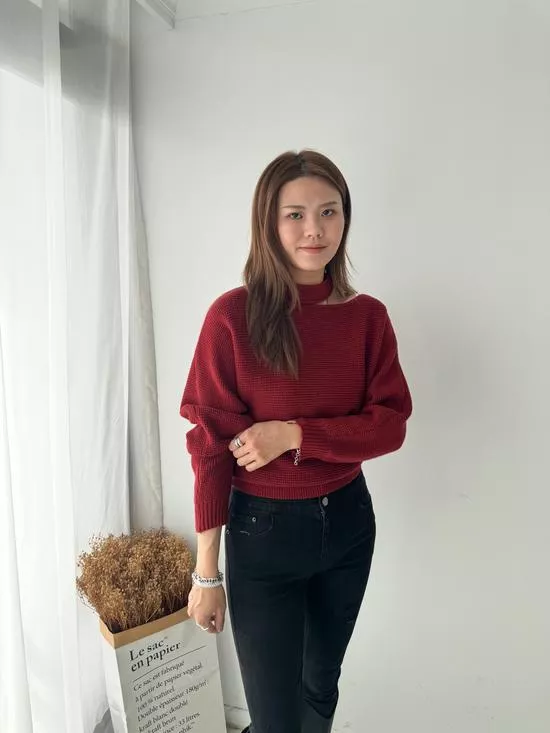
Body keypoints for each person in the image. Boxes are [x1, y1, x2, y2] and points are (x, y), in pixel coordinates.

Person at [180, 150, 412, 733]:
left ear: (345, 218)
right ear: (268, 222)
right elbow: (210, 448)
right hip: (263, 535)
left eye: (329, 212)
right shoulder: (232, 317)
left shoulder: (368, 318)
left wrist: (294, 435)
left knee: (320, 688)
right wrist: (207, 574)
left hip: (349, 525)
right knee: (273, 715)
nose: (315, 230)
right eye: (296, 215)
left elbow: (390, 425)